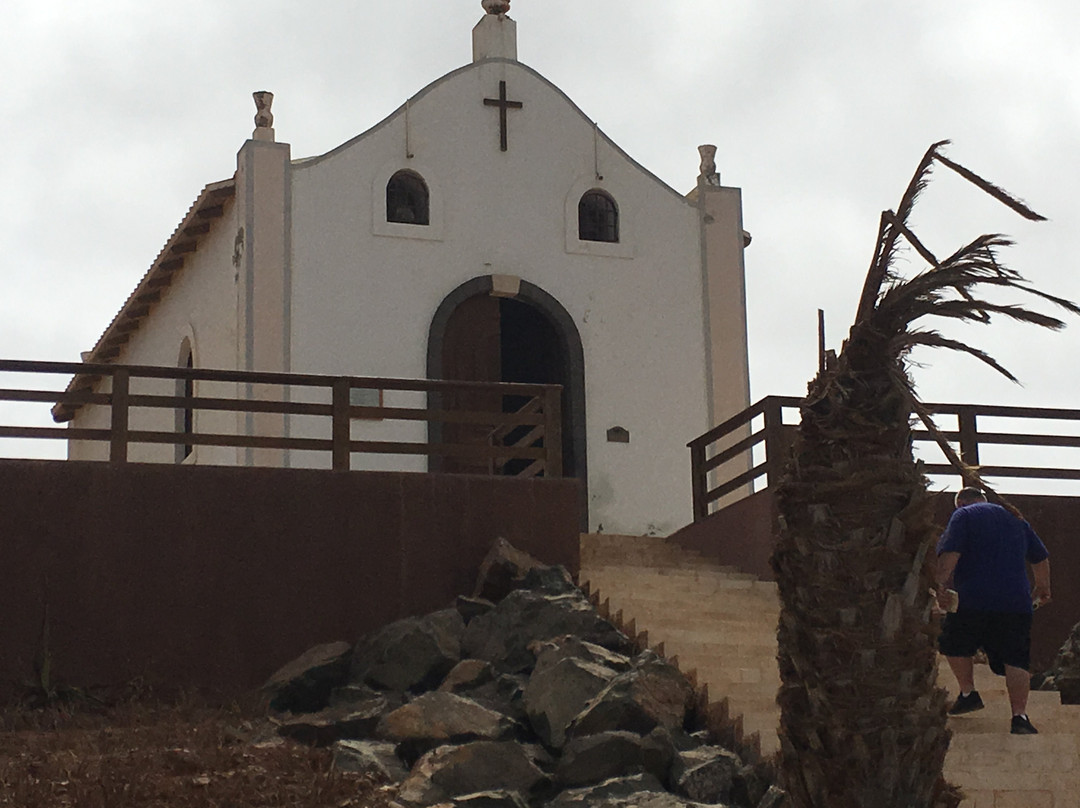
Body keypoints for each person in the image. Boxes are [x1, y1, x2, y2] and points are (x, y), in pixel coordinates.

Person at [936, 486, 1052, 734]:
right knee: (1016, 659)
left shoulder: (963, 515)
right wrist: (1042, 588)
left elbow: (951, 554)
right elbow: (1040, 557)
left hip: (973, 600)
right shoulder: (1016, 518)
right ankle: (1020, 717)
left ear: (962, 503)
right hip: (1016, 604)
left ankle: (968, 693)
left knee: (952, 643)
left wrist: (940, 586)